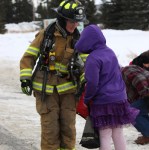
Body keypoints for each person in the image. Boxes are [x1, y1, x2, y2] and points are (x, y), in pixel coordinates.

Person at [19, 0, 87, 150]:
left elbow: (86, 65)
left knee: (68, 128)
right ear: (63, 19)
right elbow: (28, 57)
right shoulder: (46, 35)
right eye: (72, 21)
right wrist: (25, 78)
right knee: (50, 129)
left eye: (77, 22)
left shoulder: (79, 39)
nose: (75, 25)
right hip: (46, 90)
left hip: (68, 91)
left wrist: (85, 80)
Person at [75, 24, 139, 150]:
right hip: (119, 99)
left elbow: (92, 83)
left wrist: (87, 99)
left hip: (103, 102)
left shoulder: (93, 58)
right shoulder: (110, 52)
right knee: (118, 133)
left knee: (104, 135)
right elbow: (118, 73)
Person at [122, 53, 149, 145]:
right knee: (139, 111)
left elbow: (139, 79)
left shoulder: (127, 69)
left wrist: (146, 93)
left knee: (131, 112)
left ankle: (148, 135)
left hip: (147, 94)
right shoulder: (137, 69)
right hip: (145, 94)